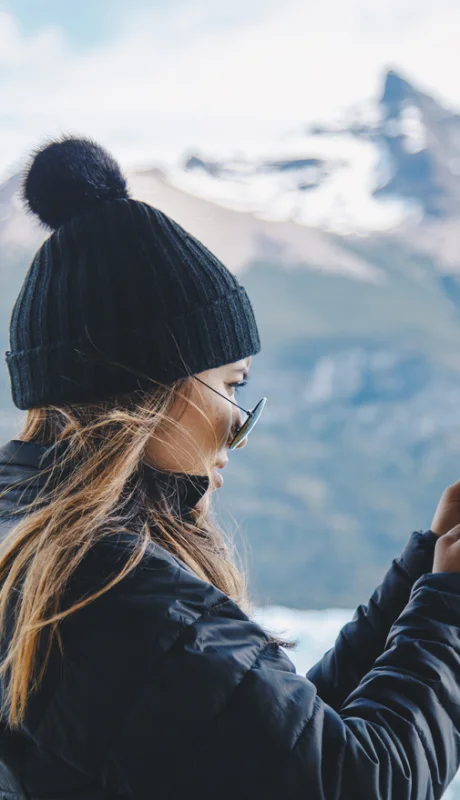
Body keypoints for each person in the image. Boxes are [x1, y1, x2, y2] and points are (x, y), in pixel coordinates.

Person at [0, 137, 459, 800]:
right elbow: (353, 786)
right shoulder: (117, 593)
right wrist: (450, 610)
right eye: (233, 384)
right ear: (158, 385)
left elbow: (272, 749)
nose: (237, 422)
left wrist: (425, 573)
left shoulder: (39, 547)